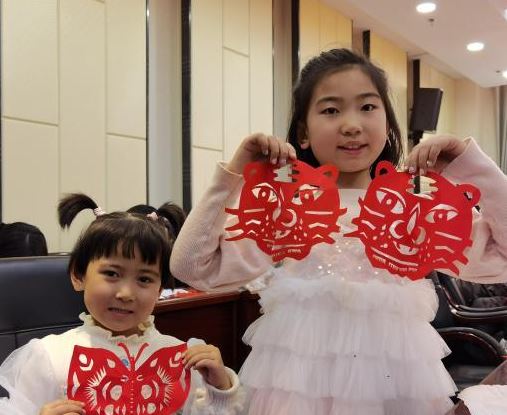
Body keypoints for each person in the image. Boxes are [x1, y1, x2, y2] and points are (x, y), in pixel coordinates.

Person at [170, 48, 507, 414]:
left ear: (388, 123)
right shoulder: (290, 208)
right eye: (331, 110)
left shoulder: (412, 207)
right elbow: (193, 266)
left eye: (367, 107)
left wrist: (470, 165)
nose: (351, 124)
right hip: (299, 390)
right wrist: (236, 172)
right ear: (303, 132)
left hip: (394, 389)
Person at [0, 193, 244, 415]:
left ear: (160, 289)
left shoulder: (182, 359)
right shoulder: (48, 358)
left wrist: (221, 390)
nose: (126, 293)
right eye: (112, 274)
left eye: (144, 279)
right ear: (78, 275)